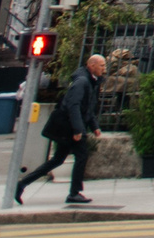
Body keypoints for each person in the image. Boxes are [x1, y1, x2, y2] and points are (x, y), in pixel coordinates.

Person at [15, 53, 105, 206]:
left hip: (71, 126)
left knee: (57, 159)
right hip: (69, 127)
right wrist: (78, 130)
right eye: (102, 65)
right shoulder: (82, 81)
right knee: (81, 156)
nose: (104, 68)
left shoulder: (91, 81)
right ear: (92, 66)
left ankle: (22, 184)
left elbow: (88, 107)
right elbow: (73, 106)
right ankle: (74, 193)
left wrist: (94, 126)